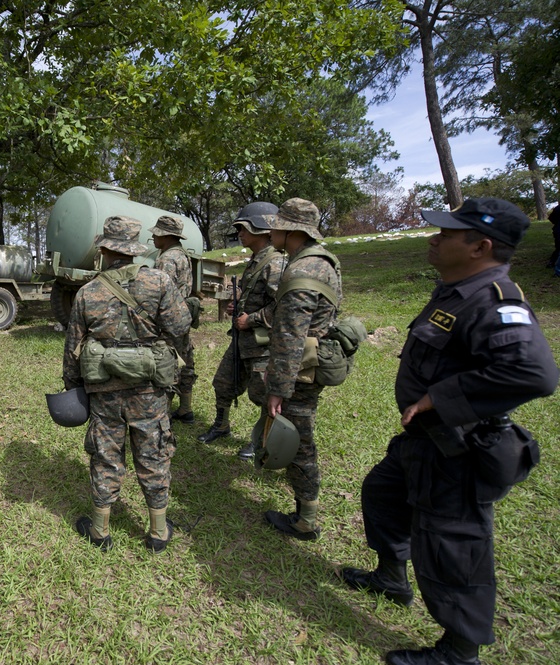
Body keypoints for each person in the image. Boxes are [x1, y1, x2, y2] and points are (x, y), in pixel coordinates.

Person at [339, 198, 559, 665]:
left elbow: (535, 374)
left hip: (456, 451)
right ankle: (391, 578)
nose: (433, 238)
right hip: (422, 442)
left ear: (480, 247)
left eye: (448, 234)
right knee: (382, 495)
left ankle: (459, 652)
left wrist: (440, 397)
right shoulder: (455, 290)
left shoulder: (496, 302)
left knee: (451, 546)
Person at [64, 216, 190, 552]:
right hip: (150, 390)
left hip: (104, 391)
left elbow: (73, 348)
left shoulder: (87, 293)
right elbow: (180, 325)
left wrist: (72, 386)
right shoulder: (160, 281)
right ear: (134, 249)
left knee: (106, 456)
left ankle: (100, 530)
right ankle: (158, 531)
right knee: (154, 454)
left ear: (104, 248)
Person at [259, 198, 341, 542]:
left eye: (276, 225)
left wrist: (278, 387)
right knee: (301, 438)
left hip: (300, 372)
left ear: (290, 230)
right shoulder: (325, 261)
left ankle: (305, 520)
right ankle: (304, 512)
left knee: (298, 441)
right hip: (312, 363)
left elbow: (292, 335)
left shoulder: (302, 269)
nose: (272, 230)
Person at [198, 203, 285, 459]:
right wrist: (238, 307)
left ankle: (261, 441)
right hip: (241, 340)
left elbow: (283, 305)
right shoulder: (256, 261)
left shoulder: (276, 263)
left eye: (243, 227)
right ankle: (222, 426)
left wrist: (252, 319)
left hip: (262, 344)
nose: (240, 233)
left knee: (263, 395)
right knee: (223, 383)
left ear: (262, 229)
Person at [149, 215, 197, 423]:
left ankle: (164, 413)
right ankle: (185, 409)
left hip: (168, 320)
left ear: (165, 236)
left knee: (166, 363)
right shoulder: (182, 255)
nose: (153, 237)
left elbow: (160, 292)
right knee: (185, 360)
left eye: (156, 233)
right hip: (183, 316)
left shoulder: (166, 259)